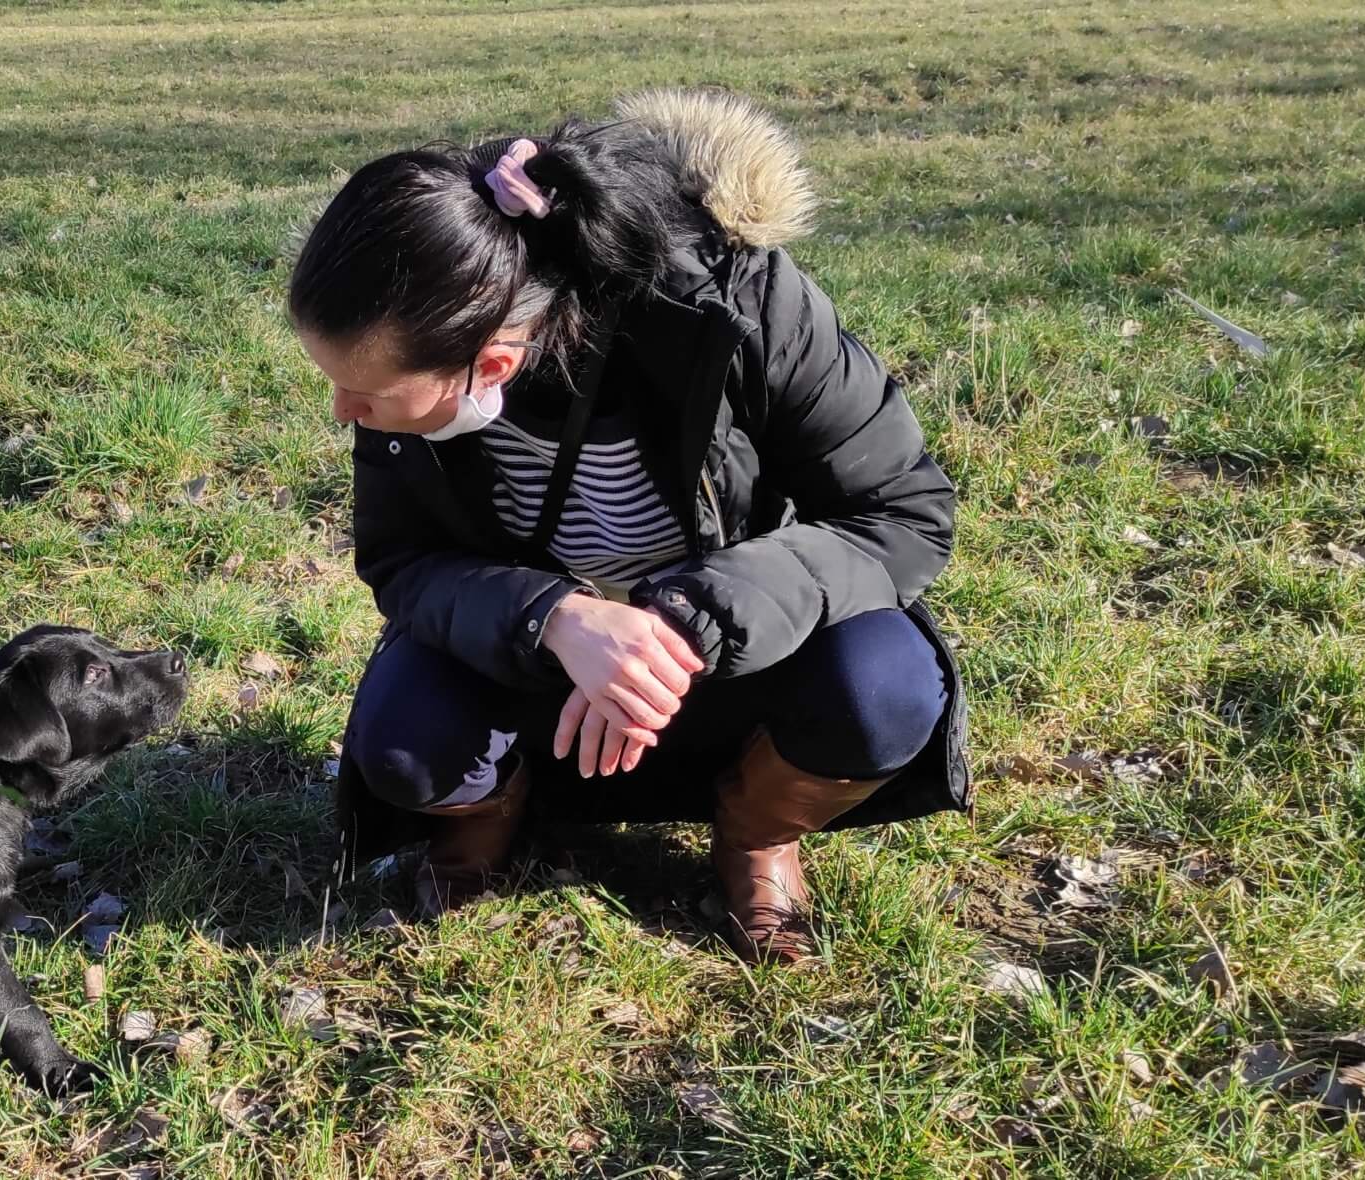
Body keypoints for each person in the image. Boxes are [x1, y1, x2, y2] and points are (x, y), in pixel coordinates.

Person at [288, 90, 968, 964]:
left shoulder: (739, 304)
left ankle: (756, 834)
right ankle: (491, 822)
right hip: (529, 671)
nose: (346, 413)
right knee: (407, 744)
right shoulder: (413, 340)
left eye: (366, 396)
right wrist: (554, 618)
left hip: (734, 658)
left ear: (491, 362)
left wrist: (685, 623)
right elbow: (405, 561)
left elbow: (901, 514)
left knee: (885, 691)